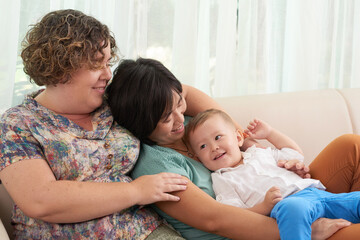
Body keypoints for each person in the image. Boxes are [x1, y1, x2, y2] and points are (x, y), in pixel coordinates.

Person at [106, 57, 360, 240]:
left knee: (351, 146)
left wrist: (258, 151)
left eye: (179, 104)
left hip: (295, 197)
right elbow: (216, 220)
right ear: (141, 125)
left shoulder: (195, 124)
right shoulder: (156, 166)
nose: (179, 118)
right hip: (267, 225)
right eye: (165, 118)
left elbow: (187, 93)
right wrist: (304, 229)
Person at [0, 9, 195, 239]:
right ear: (61, 68)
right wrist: (135, 191)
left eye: (108, 62)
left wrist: (228, 126)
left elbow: (180, 92)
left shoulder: (110, 101)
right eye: (97, 64)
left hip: (145, 230)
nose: (108, 73)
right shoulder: (17, 124)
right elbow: (41, 200)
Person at [185, 108, 360, 240]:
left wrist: (270, 133)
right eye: (203, 146)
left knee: (355, 200)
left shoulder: (258, 152)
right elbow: (237, 214)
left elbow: (294, 154)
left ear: (238, 138)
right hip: (288, 205)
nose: (214, 147)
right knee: (293, 210)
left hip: (318, 194)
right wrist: (264, 206)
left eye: (217, 137)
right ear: (199, 159)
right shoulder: (222, 178)